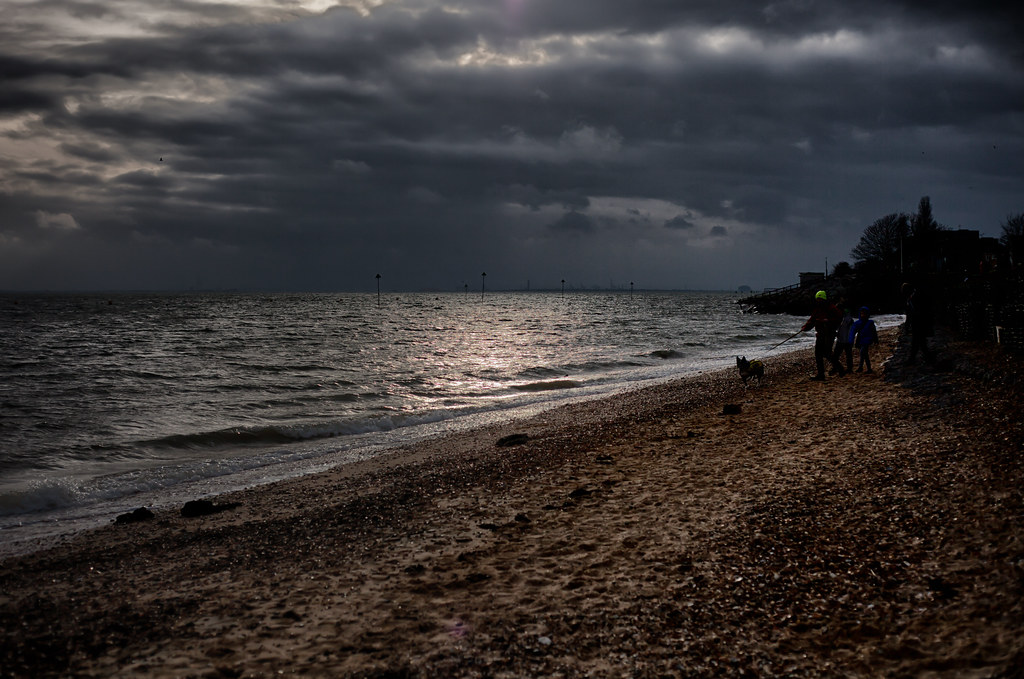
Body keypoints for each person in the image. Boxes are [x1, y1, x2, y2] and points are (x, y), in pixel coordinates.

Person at [801, 290, 846, 380]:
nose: (818, 300)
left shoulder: (831, 308)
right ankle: (821, 375)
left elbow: (839, 318)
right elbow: (812, 320)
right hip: (820, 334)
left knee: (827, 353)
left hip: (829, 334)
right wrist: (805, 327)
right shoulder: (818, 309)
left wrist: (828, 320)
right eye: (817, 299)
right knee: (818, 354)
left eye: (820, 299)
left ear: (824, 299)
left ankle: (840, 369)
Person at [902, 283, 934, 364]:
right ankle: (926, 358)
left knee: (918, 341)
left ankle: (919, 358)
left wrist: (907, 326)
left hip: (919, 323)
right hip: (918, 323)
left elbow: (915, 313)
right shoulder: (913, 297)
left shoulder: (915, 297)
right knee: (919, 342)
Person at [849, 306, 879, 373]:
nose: (863, 315)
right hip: (861, 340)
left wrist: (876, 341)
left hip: (867, 340)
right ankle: (866, 368)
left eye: (864, 314)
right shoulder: (858, 323)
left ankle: (863, 368)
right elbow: (853, 332)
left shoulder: (870, 323)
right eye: (861, 314)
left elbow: (874, 332)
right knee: (864, 354)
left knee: (863, 353)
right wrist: (851, 340)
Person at [832, 300, 855, 374]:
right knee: (837, 355)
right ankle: (837, 368)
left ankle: (848, 369)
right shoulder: (842, 317)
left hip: (846, 340)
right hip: (841, 339)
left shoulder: (847, 319)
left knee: (845, 355)